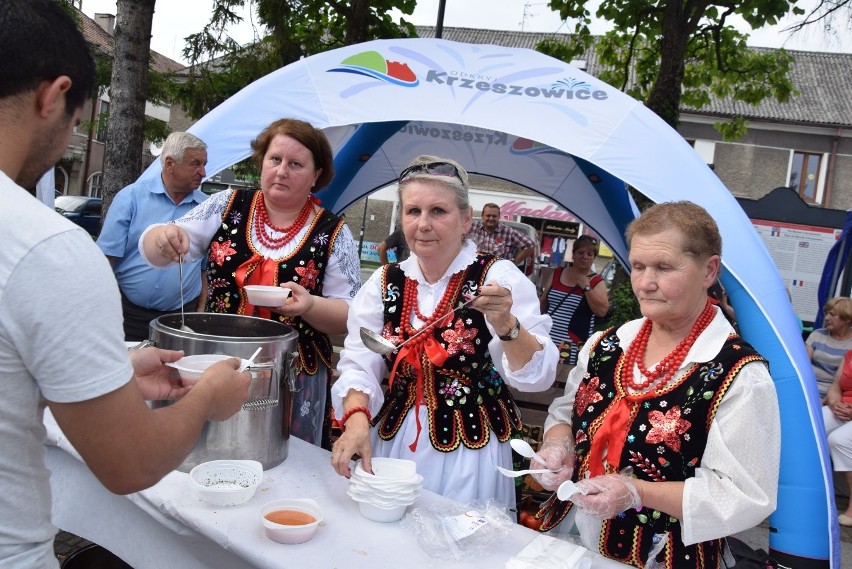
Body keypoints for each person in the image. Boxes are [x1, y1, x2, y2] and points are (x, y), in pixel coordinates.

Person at [0, 2, 251, 566]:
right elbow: (130, 464)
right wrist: (208, 397)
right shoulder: (48, 247)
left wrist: (109, 362)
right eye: (76, 118)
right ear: (53, 96)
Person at [529, 202, 779, 568]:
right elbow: (566, 413)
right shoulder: (607, 345)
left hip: (663, 556)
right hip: (567, 536)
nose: (645, 282)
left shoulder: (738, 373)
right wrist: (557, 445)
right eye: (639, 266)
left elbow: (743, 494)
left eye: (664, 267)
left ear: (709, 270)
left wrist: (636, 491)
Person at [330, 156, 558, 508]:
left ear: (466, 220)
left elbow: (537, 379)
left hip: (472, 448)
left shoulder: (499, 278)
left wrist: (507, 325)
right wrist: (357, 418)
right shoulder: (385, 281)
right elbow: (360, 362)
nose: (423, 224)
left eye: (438, 211)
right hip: (395, 437)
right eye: (413, 211)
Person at [141, 118, 360, 449]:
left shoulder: (333, 232)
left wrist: (310, 306)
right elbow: (160, 249)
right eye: (275, 159)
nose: (281, 171)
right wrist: (162, 237)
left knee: (281, 463)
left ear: (316, 175)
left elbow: (348, 314)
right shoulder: (227, 205)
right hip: (214, 363)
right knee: (208, 451)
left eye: (296, 164)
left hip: (292, 375)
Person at [97, 132, 209, 341]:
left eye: (204, 163)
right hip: (127, 315)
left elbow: (204, 268)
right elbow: (106, 259)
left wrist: (201, 309)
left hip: (182, 319)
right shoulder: (131, 199)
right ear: (169, 164)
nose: (203, 172)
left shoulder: (207, 209)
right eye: (195, 163)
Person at [539, 234, 609, 379]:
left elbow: (602, 311)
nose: (585, 257)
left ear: (593, 258)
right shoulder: (557, 273)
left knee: (562, 382)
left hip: (572, 345)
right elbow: (543, 302)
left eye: (589, 254)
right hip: (547, 339)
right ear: (573, 254)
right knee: (541, 377)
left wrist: (587, 288)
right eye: (581, 253)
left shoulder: (596, 282)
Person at [821, 352, 852, 526]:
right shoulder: (849, 354)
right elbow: (836, 386)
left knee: (840, 440)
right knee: (810, 427)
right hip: (843, 407)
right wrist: (834, 403)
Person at [806, 296, 852, 400]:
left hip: (837, 396)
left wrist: (830, 399)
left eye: (832, 315)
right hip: (809, 390)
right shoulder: (817, 335)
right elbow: (804, 367)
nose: (826, 318)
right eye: (826, 313)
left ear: (847, 319)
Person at [467, 203, 536, 266]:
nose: (491, 218)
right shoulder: (473, 227)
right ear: (482, 216)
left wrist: (513, 264)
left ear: (499, 216)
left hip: (498, 273)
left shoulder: (508, 232)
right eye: (488, 215)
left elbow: (530, 245)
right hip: (475, 269)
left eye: (494, 216)